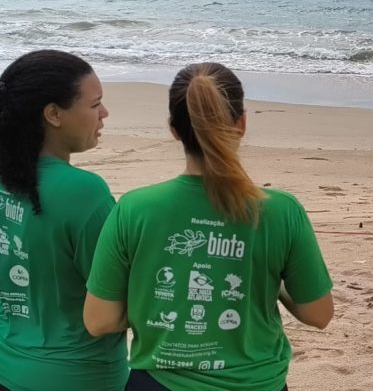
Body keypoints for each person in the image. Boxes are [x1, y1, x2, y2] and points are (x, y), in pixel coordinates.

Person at [85, 62, 333, 391]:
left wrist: (158, 308)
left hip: (158, 382)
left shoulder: (135, 208)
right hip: (257, 383)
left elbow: (99, 320)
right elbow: (318, 314)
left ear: (174, 129)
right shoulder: (281, 211)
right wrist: (272, 283)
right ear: (242, 123)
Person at [0, 49, 127, 391]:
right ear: (54, 114)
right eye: (94, 104)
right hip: (79, 376)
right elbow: (114, 305)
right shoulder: (82, 192)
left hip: (8, 367)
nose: (104, 113)